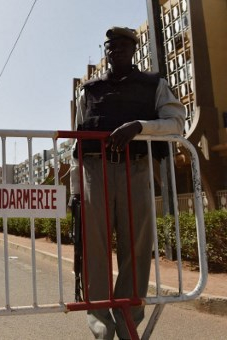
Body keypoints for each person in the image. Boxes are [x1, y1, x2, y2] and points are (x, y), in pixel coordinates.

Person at [69, 27, 185, 340]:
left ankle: (127, 323)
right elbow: (76, 145)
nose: (115, 50)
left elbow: (176, 122)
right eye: (109, 46)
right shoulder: (89, 90)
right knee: (94, 252)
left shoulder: (154, 85)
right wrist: (75, 193)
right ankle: (101, 326)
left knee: (136, 249)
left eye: (122, 45)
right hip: (96, 173)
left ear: (134, 49)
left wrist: (140, 127)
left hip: (137, 170)